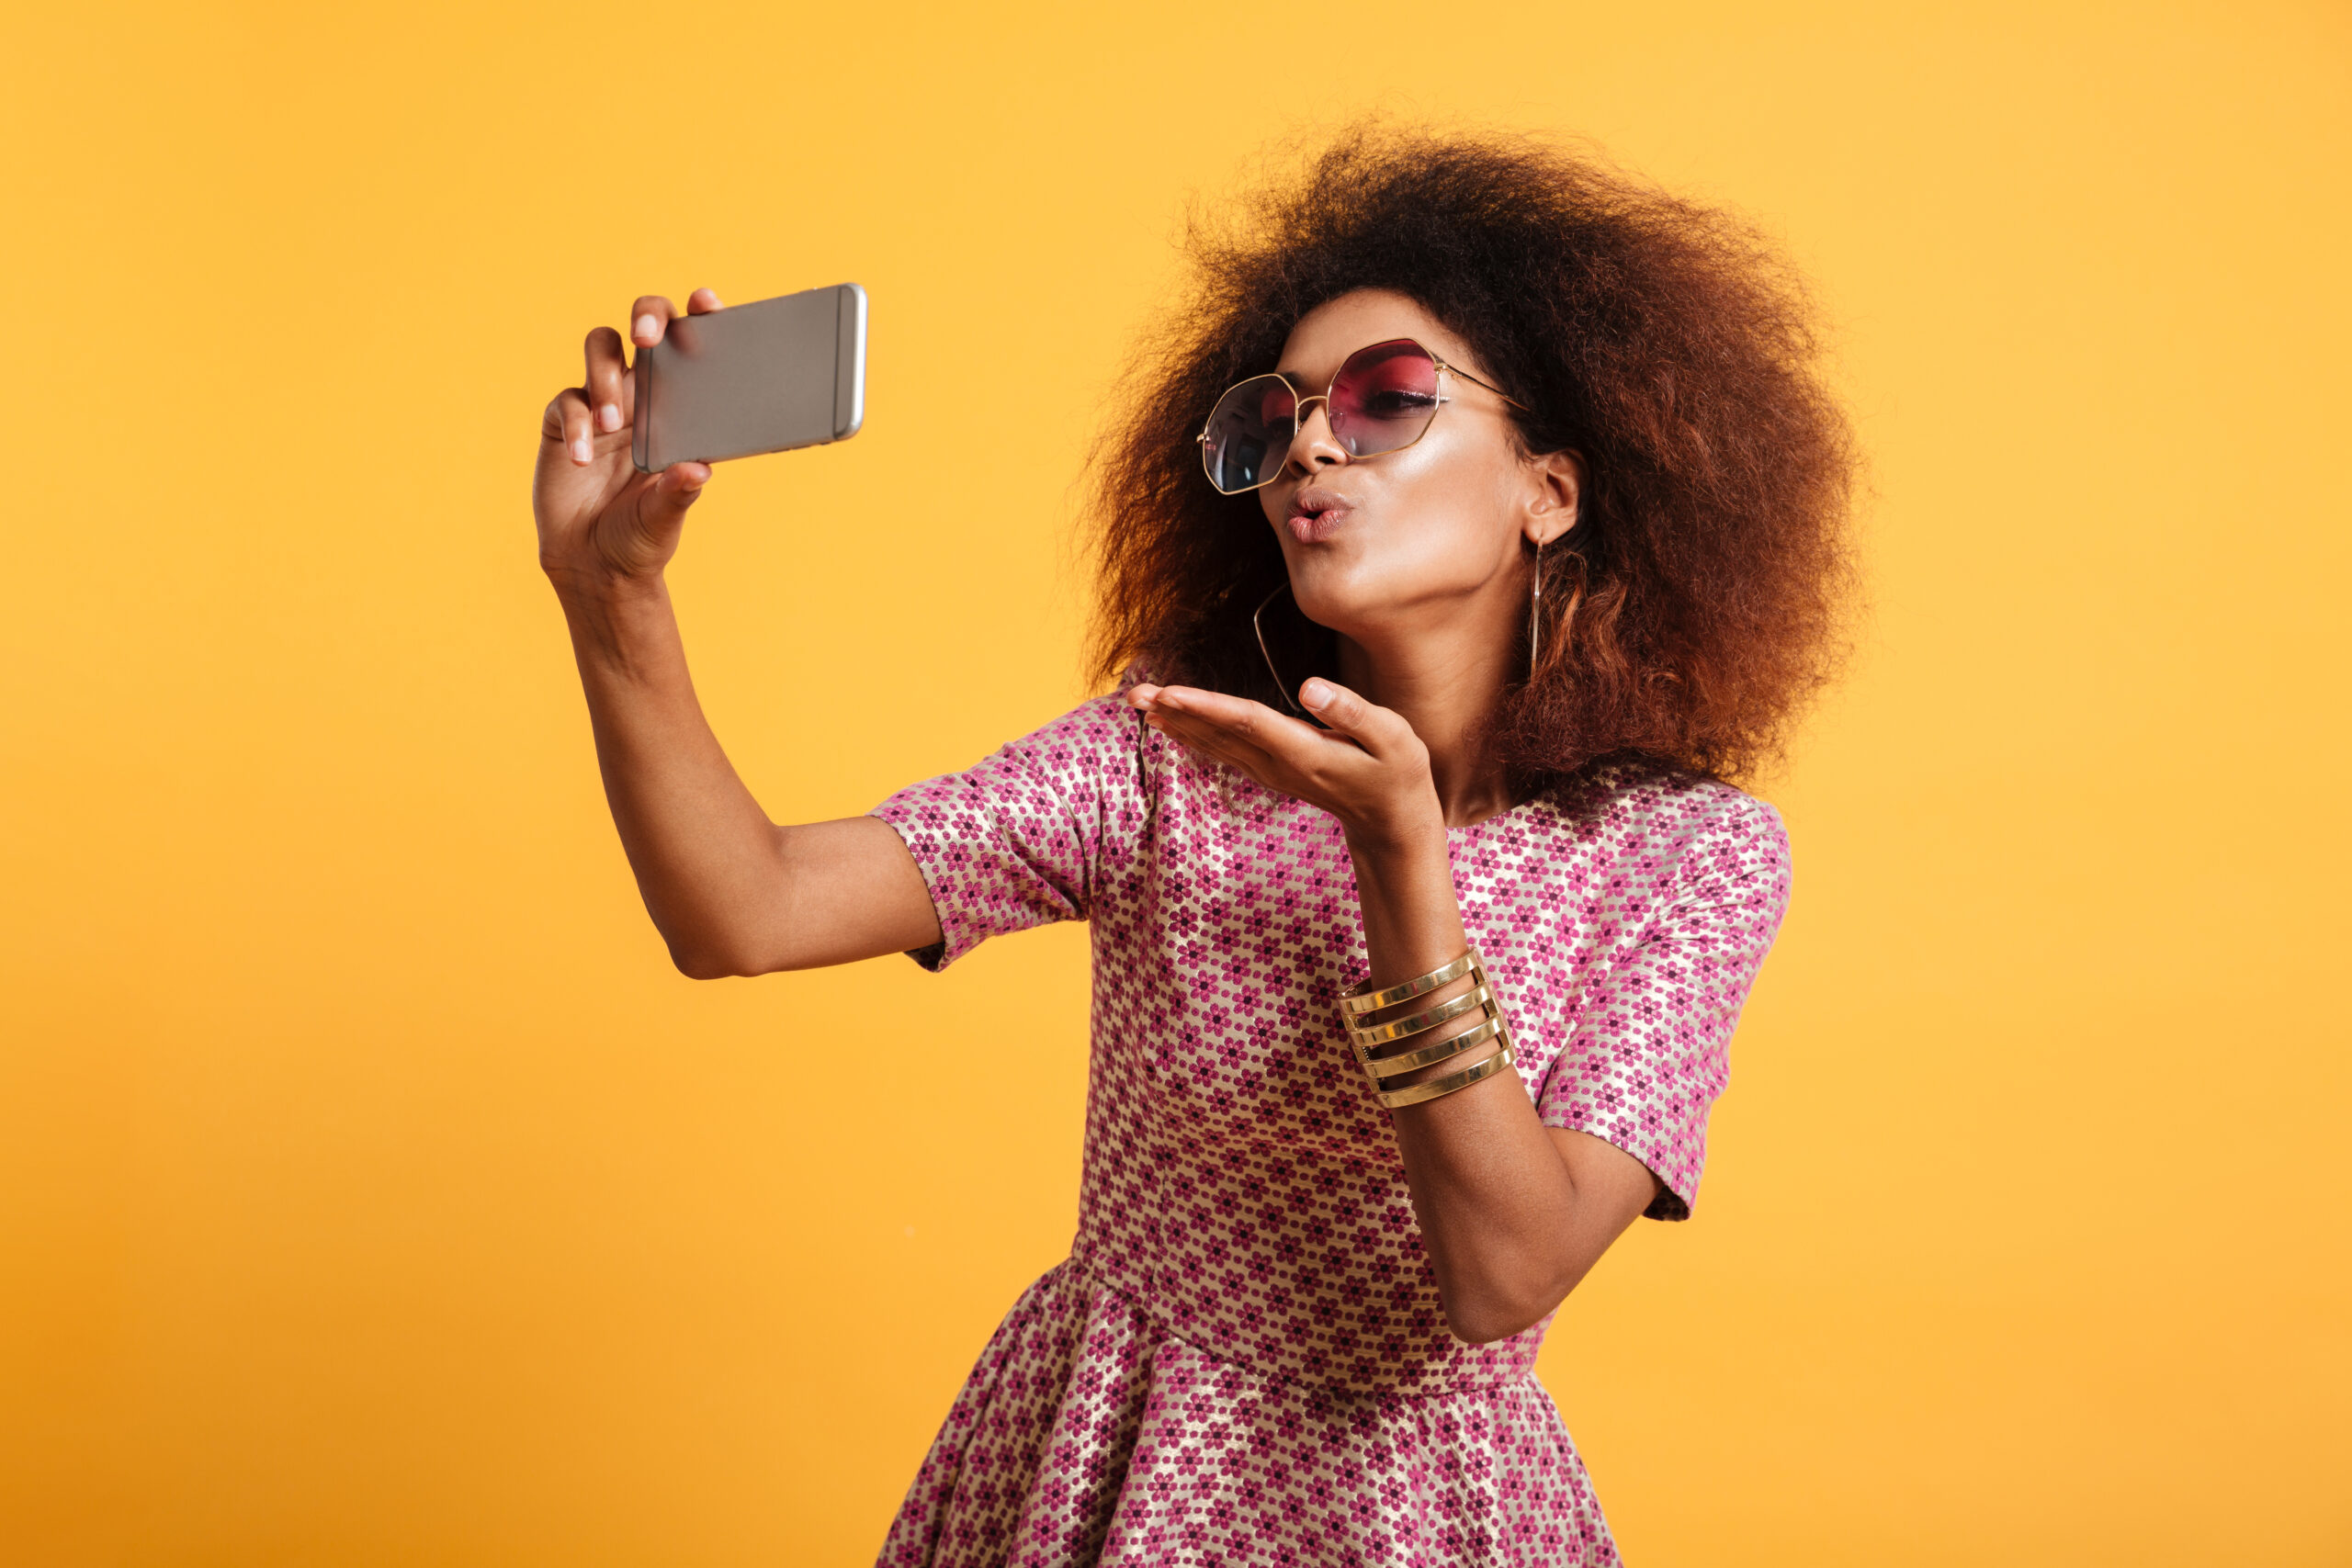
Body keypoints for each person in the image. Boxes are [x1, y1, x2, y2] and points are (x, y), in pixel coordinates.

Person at [531, 128, 1853, 1568]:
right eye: (1270, 421)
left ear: (1550, 488)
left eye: (1387, 399)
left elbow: (1501, 1276)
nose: (1311, 446)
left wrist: (1400, 861)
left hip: (1427, 1520)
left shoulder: (1689, 858)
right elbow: (744, 911)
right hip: (1110, 1470)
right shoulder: (1167, 762)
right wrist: (614, 602)